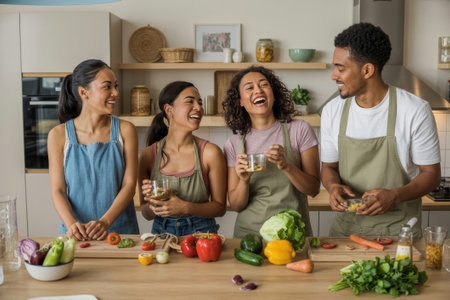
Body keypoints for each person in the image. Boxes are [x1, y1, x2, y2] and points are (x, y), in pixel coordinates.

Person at [320, 23, 441, 237]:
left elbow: (431, 175)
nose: (334, 76)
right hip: (346, 232)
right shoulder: (332, 111)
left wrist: (394, 195)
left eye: (341, 68)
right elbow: (329, 167)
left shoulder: (414, 110)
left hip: (399, 233)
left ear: (367, 70)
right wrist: (332, 187)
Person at [222, 66, 320, 238]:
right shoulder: (234, 144)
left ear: (273, 94)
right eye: (249, 88)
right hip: (250, 237)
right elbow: (236, 205)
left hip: (292, 233)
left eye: (264, 85)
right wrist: (244, 181)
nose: (258, 90)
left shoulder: (299, 130)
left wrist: (286, 166)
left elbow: (313, 189)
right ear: (241, 101)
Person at [48, 59, 139, 241]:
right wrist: (71, 224)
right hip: (76, 233)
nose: (116, 93)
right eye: (107, 87)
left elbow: (129, 185)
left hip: (120, 232)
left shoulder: (126, 130)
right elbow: (58, 189)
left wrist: (105, 222)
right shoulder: (58, 135)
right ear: (84, 92)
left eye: (116, 86)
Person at [139, 81, 227, 236]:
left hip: (202, 235)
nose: (199, 107)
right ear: (169, 109)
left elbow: (220, 208)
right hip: (161, 234)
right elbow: (146, 214)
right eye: (190, 101)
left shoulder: (210, 153)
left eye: (200, 103)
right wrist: (153, 204)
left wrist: (185, 207)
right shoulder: (147, 156)